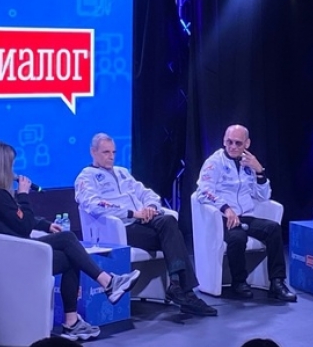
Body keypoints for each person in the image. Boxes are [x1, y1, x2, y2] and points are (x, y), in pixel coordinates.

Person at [0, 140, 141, 342]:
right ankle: (97, 295)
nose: (13, 172)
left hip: (11, 249)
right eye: (11, 166)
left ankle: (100, 292)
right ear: (1, 167)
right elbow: (22, 225)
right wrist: (23, 195)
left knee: (67, 242)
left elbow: (12, 218)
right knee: (71, 252)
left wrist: (45, 225)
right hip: (14, 257)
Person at [74, 133, 217, 317]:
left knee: (169, 221)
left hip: (142, 221)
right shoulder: (86, 177)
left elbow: (146, 193)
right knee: (172, 236)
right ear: (93, 152)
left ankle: (176, 285)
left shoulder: (122, 172)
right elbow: (93, 205)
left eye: (113, 152)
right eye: (106, 152)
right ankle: (185, 292)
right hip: (121, 228)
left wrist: (150, 207)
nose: (111, 156)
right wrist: (132, 213)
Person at [195, 124, 297, 302]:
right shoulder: (214, 162)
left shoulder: (249, 163)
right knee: (237, 237)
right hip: (223, 217)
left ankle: (277, 282)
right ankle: (239, 282)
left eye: (238, 143)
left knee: (273, 229)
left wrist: (260, 171)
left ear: (247, 144)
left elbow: (263, 196)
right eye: (229, 142)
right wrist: (226, 208)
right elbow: (203, 191)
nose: (233, 147)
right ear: (224, 141)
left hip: (246, 215)